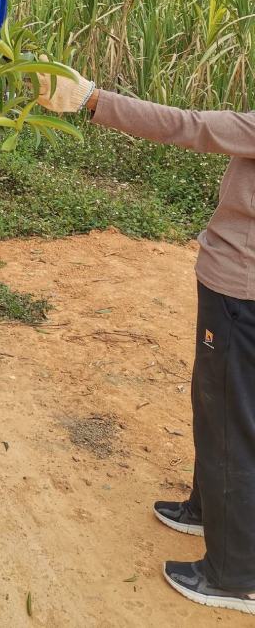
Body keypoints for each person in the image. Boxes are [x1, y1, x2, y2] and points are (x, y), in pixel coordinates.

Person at [36, 67, 255, 616]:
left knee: (229, 418)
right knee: (216, 406)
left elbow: (190, 127)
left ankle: (234, 575)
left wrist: (93, 101)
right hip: (236, 291)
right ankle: (206, 507)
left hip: (240, 295)